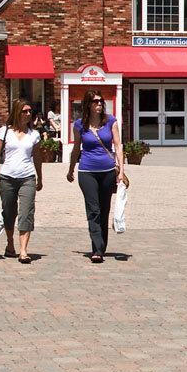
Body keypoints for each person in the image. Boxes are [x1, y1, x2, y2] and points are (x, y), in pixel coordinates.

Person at [66, 94, 127, 263]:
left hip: (107, 170)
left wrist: (121, 170)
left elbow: (118, 145)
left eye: (101, 101)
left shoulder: (110, 121)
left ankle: (101, 245)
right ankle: (97, 249)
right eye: (95, 101)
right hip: (87, 171)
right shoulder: (79, 125)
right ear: (88, 104)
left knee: (104, 209)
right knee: (93, 209)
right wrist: (71, 169)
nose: (99, 104)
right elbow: (76, 149)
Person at [0, 94, 43, 263]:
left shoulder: (34, 135)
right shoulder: (5, 131)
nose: (28, 114)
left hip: (27, 177)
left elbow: (38, 158)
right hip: (7, 177)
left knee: (26, 213)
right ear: (17, 112)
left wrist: (40, 178)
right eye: (25, 111)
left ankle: (24, 251)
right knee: (9, 212)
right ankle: (10, 244)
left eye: (30, 112)